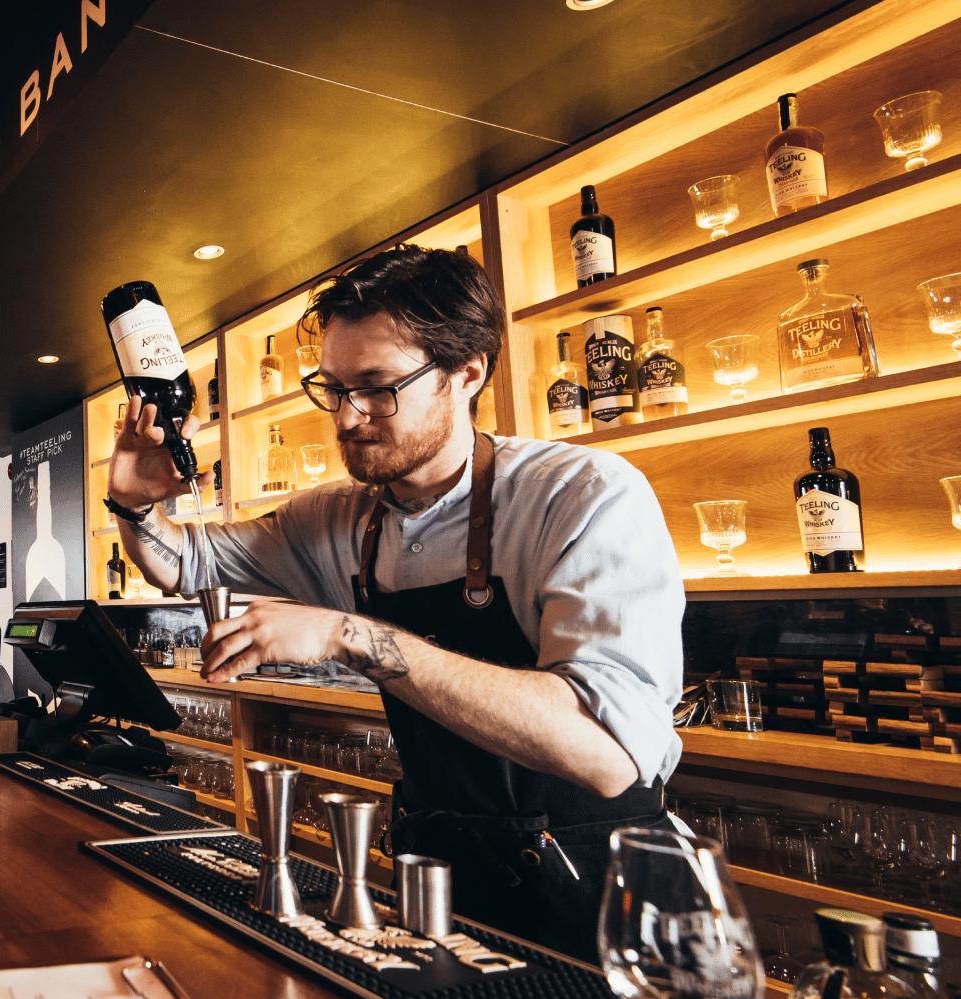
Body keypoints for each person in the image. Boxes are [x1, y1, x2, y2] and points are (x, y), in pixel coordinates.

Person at [105, 245, 683, 961]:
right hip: (443, 876)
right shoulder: (338, 519)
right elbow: (183, 561)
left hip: (603, 894)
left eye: (378, 387)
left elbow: (606, 756)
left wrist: (351, 636)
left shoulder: (582, 494)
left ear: (465, 374)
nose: (347, 418)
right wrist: (133, 506)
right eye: (334, 388)